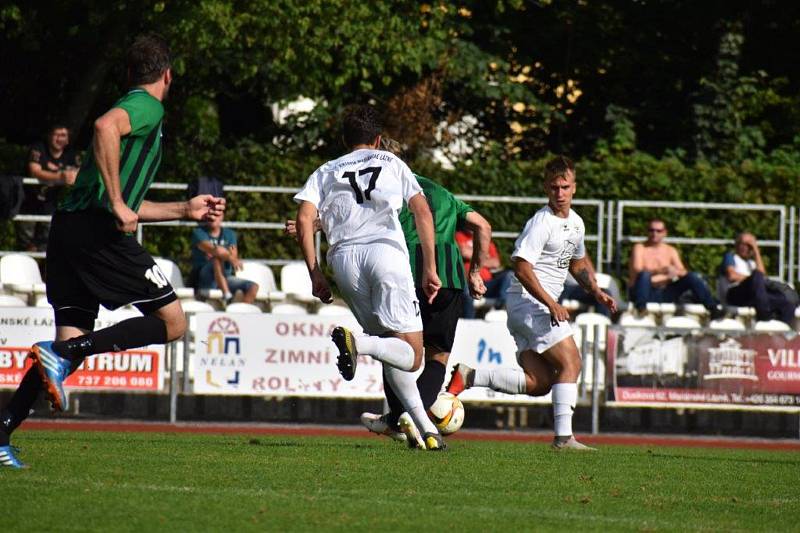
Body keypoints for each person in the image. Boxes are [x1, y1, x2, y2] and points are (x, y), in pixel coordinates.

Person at [0, 34, 225, 469]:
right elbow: (106, 128)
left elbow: (125, 201)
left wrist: (183, 208)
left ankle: (2, 430)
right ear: (168, 75)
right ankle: (60, 357)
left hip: (67, 231)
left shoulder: (133, 120)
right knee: (173, 323)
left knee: (71, 344)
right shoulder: (148, 105)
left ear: (126, 72)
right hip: (96, 233)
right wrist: (119, 204)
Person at [294, 105, 446, 450]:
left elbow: (304, 219)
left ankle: (426, 430)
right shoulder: (392, 162)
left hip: (344, 261)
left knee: (390, 347)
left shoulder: (326, 170)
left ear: (345, 140)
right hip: (384, 253)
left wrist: (315, 273)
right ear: (377, 139)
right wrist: (430, 267)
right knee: (412, 354)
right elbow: (421, 210)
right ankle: (358, 344)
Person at [446, 156, 617, 451]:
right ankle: (564, 439)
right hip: (530, 304)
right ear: (545, 188)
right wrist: (551, 303)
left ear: (574, 188)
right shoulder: (541, 223)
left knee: (539, 383)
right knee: (571, 362)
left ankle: (470, 376)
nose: (559, 193)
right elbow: (522, 268)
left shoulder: (575, 223)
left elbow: (577, 263)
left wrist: (596, 291)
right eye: (554, 187)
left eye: (564, 187)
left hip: (528, 307)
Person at [628, 218, 723, 318]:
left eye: (658, 231)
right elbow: (638, 271)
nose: (654, 233)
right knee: (644, 275)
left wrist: (673, 272)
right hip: (644, 292)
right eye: (651, 230)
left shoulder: (670, 250)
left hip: (665, 292)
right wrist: (662, 271)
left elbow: (683, 272)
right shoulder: (639, 248)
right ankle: (641, 309)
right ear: (647, 232)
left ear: (664, 233)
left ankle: (712, 308)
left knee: (692, 276)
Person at [16, 124, 81, 252]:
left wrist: (71, 176)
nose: (59, 138)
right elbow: (34, 171)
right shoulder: (38, 148)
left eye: (63, 135)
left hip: (53, 204)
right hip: (29, 201)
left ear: (68, 139)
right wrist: (59, 176)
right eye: (56, 134)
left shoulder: (72, 153)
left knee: (48, 242)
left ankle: (42, 270)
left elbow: (80, 172)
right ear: (49, 136)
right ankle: (28, 268)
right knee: (26, 244)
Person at [721, 232, 797, 325]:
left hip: (753, 296)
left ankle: (786, 335)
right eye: (743, 244)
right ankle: (764, 318)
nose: (745, 247)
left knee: (786, 302)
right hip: (735, 293)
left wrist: (756, 250)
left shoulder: (752, 263)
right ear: (737, 245)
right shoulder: (731, 256)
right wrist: (753, 279)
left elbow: (762, 276)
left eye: (749, 245)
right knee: (757, 275)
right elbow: (732, 275)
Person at [190, 212, 258, 304]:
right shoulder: (199, 233)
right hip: (205, 278)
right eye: (210, 215)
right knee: (216, 259)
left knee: (253, 287)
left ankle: (242, 312)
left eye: (216, 215)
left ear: (222, 217)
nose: (213, 218)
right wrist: (227, 256)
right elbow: (213, 249)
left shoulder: (230, 234)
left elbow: (233, 252)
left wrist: (224, 254)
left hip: (226, 277)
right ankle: (227, 295)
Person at [456, 230, 512, 318]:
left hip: (486, 285)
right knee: (466, 290)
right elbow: (464, 252)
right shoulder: (459, 236)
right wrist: (485, 256)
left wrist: (474, 256)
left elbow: (496, 263)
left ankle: (499, 309)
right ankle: (468, 323)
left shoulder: (486, 240)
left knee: (509, 275)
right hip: (468, 283)